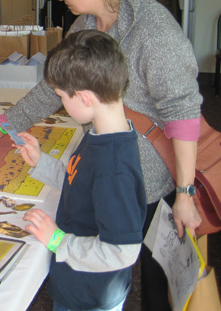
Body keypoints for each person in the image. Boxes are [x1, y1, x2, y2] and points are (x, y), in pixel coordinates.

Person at [0, 0, 202, 311]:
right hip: (101, 158)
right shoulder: (83, 24)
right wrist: (9, 121)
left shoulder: (154, 29)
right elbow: (56, 85)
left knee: (153, 280)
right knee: (99, 257)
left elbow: (183, 114)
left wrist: (185, 194)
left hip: (147, 174)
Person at [15, 30, 146, 311]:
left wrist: (57, 240)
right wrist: (42, 163)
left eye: (61, 96)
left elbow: (122, 252)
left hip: (90, 296)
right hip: (77, 282)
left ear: (85, 98)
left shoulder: (114, 167)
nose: (61, 103)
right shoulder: (100, 134)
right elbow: (79, 181)